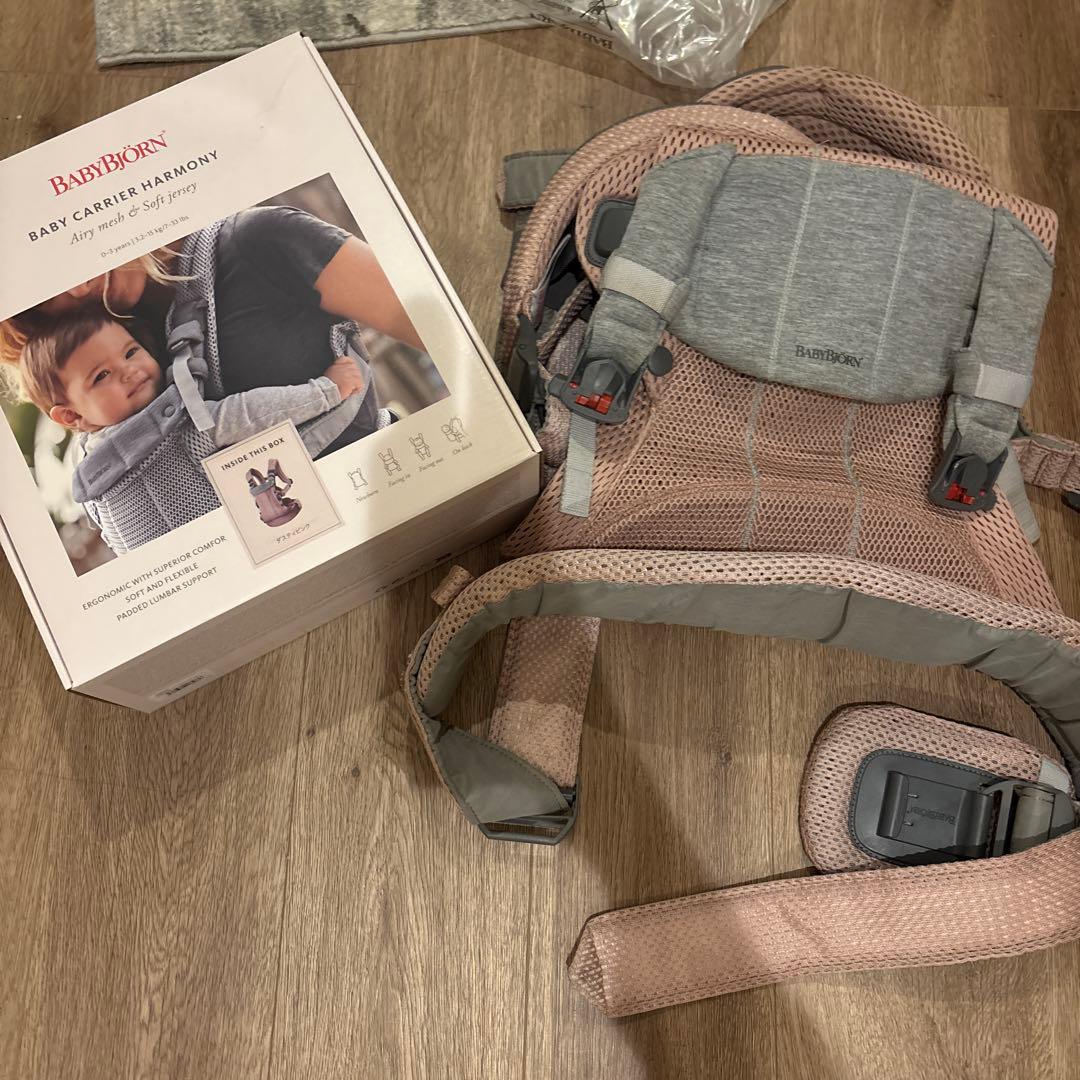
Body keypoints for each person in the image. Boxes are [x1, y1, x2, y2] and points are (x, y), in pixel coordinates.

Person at [0, 205, 424, 454]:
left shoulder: (258, 240)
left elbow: (437, 325)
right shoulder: (101, 384)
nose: (78, 284)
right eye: (46, 291)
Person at [17, 306, 365, 554]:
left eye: (131, 352)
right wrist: (325, 390)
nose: (128, 370)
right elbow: (251, 412)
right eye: (101, 376)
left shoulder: (86, 475)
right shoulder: (178, 425)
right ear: (70, 416)